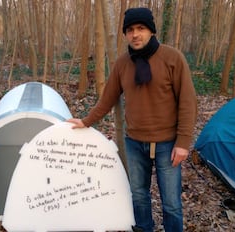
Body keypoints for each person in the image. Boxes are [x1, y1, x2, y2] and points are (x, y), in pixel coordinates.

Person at [67, 7, 197, 232]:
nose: (135, 34)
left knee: (172, 203)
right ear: (125, 34)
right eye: (130, 30)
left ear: (151, 31)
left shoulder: (172, 58)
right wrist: (86, 121)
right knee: (138, 196)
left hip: (168, 143)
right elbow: (107, 99)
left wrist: (183, 143)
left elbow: (188, 101)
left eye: (141, 28)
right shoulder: (122, 64)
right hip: (135, 142)